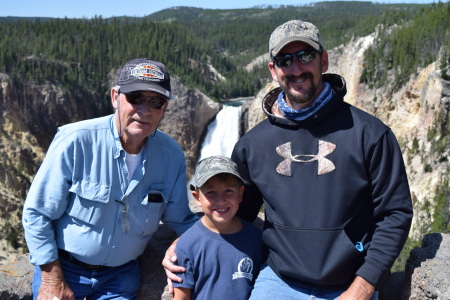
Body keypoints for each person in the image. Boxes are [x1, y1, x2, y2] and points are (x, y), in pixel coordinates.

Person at [164, 20, 413, 300]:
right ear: (273, 70)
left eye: (305, 56)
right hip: (277, 281)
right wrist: (185, 246)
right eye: (285, 60)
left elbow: (395, 214)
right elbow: (234, 212)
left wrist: (363, 287)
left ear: (324, 60)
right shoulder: (253, 144)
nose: (296, 69)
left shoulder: (370, 134)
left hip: (350, 284)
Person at [22, 58, 198, 300]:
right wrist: (52, 279)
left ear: (165, 108)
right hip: (64, 268)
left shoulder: (171, 155)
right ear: (115, 97)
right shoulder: (74, 141)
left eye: (155, 102)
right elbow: (37, 213)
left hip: (121, 276)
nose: (144, 110)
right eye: (135, 98)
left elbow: (180, 218)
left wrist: (213, 237)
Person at [172, 155, 263, 300]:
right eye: (211, 192)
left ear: (240, 194)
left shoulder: (256, 239)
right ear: (196, 198)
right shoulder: (187, 245)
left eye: (228, 191)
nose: (221, 200)